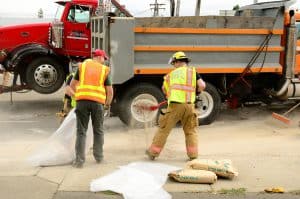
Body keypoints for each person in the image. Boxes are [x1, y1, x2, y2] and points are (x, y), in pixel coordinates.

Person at [146, 51, 206, 161]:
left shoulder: (170, 75)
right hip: (189, 105)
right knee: (190, 131)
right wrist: (196, 94)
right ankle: (193, 155)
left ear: (177, 62)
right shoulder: (193, 72)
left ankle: (153, 152)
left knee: (164, 130)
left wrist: (171, 95)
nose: (173, 65)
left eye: (174, 63)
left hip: (175, 106)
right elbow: (202, 85)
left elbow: (164, 89)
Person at [70, 49, 113, 168]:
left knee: (81, 131)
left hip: (82, 102)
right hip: (97, 103)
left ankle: (79, 161)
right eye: (104, 58)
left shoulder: (82, 67)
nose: (104, 62)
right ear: (99, 57)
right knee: (98, 130)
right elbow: (109, 91)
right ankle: (99, 158)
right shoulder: (103, 70)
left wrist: (77, 96)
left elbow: (72, 86)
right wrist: (107, 105)